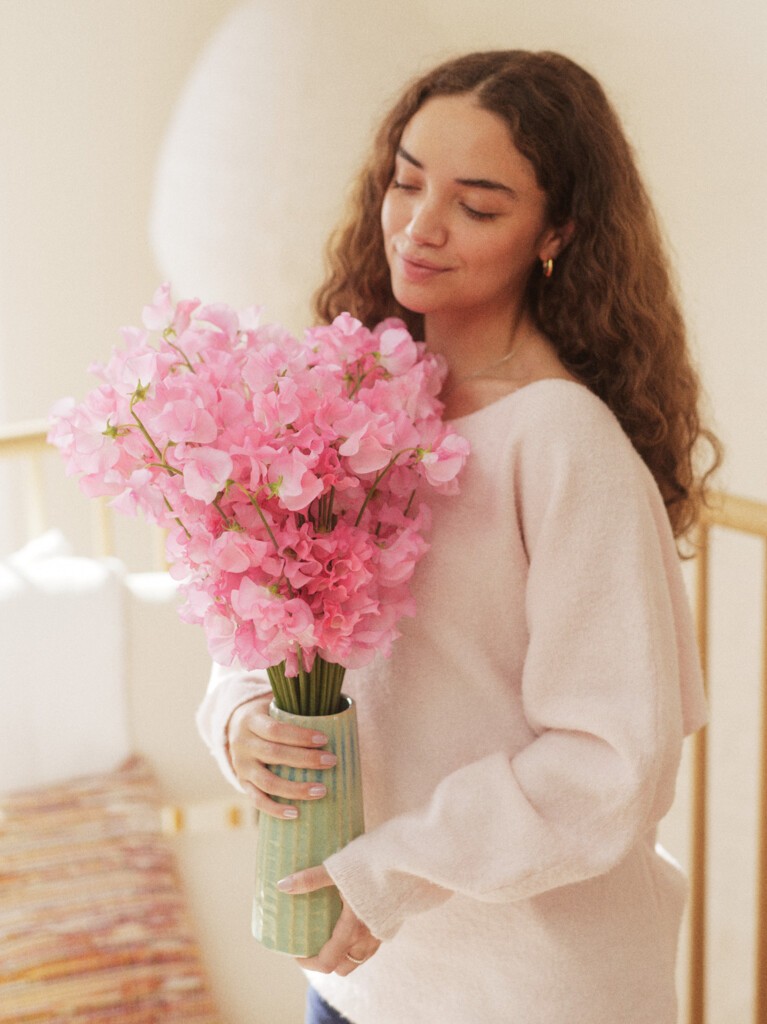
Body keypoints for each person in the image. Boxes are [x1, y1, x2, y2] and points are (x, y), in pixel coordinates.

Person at [196, 50, 721, 1024]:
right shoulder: (345, 407)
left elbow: (607, 767)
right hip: (357, 978)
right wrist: (239, 717)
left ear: (555, 231)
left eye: (477, 205)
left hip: (525, 991)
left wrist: (388, 872)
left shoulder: (563, 445)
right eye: (404, 180)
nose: (418, 226)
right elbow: (264, 620)